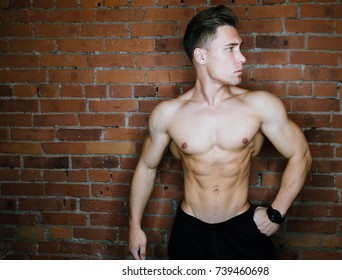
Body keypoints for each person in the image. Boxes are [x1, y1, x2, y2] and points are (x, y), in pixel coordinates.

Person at [128, 5, 312, 260]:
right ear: (201, 56)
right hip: (189, 233)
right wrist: (135, 227)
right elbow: (146, 168)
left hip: (243, 229)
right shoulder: (168, 114)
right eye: (230, 49)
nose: (242, 57)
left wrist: (276, 212)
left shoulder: (258, 105)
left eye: (240, 47)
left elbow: (301, 155)